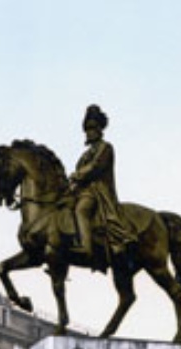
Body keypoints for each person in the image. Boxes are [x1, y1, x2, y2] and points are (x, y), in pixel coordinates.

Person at [69, 104, 137, 267]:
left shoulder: (106, 148)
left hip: (97, 191)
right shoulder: (85, 154)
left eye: (92, 128)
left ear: (100, 129)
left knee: (81, 209)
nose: (88, 132)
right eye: (86, 129)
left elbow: (96, 167)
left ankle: (86, 247)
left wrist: (77, 175)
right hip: (82, 190)